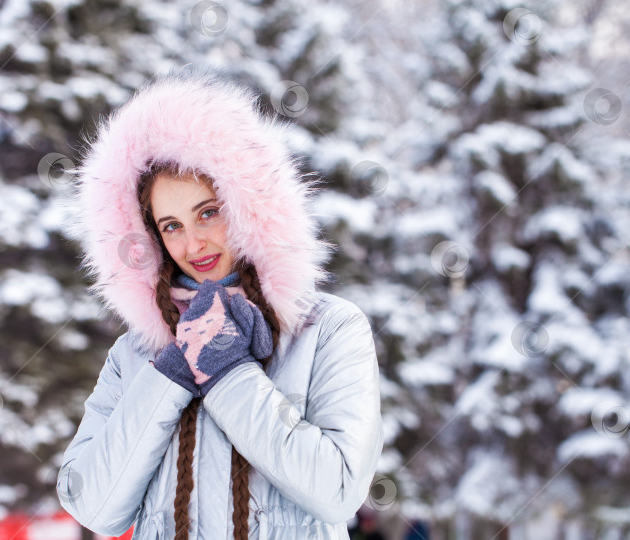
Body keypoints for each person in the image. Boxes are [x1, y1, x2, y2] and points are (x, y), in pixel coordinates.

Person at [56, 66, 384, 540]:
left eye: (208, 213)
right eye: (171, 225)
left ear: (247, 206)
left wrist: (229, 373)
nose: (194, 243)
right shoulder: (138, 354)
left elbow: (336, 490)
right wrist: (170, 374)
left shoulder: (327, 329)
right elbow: (95, 506)